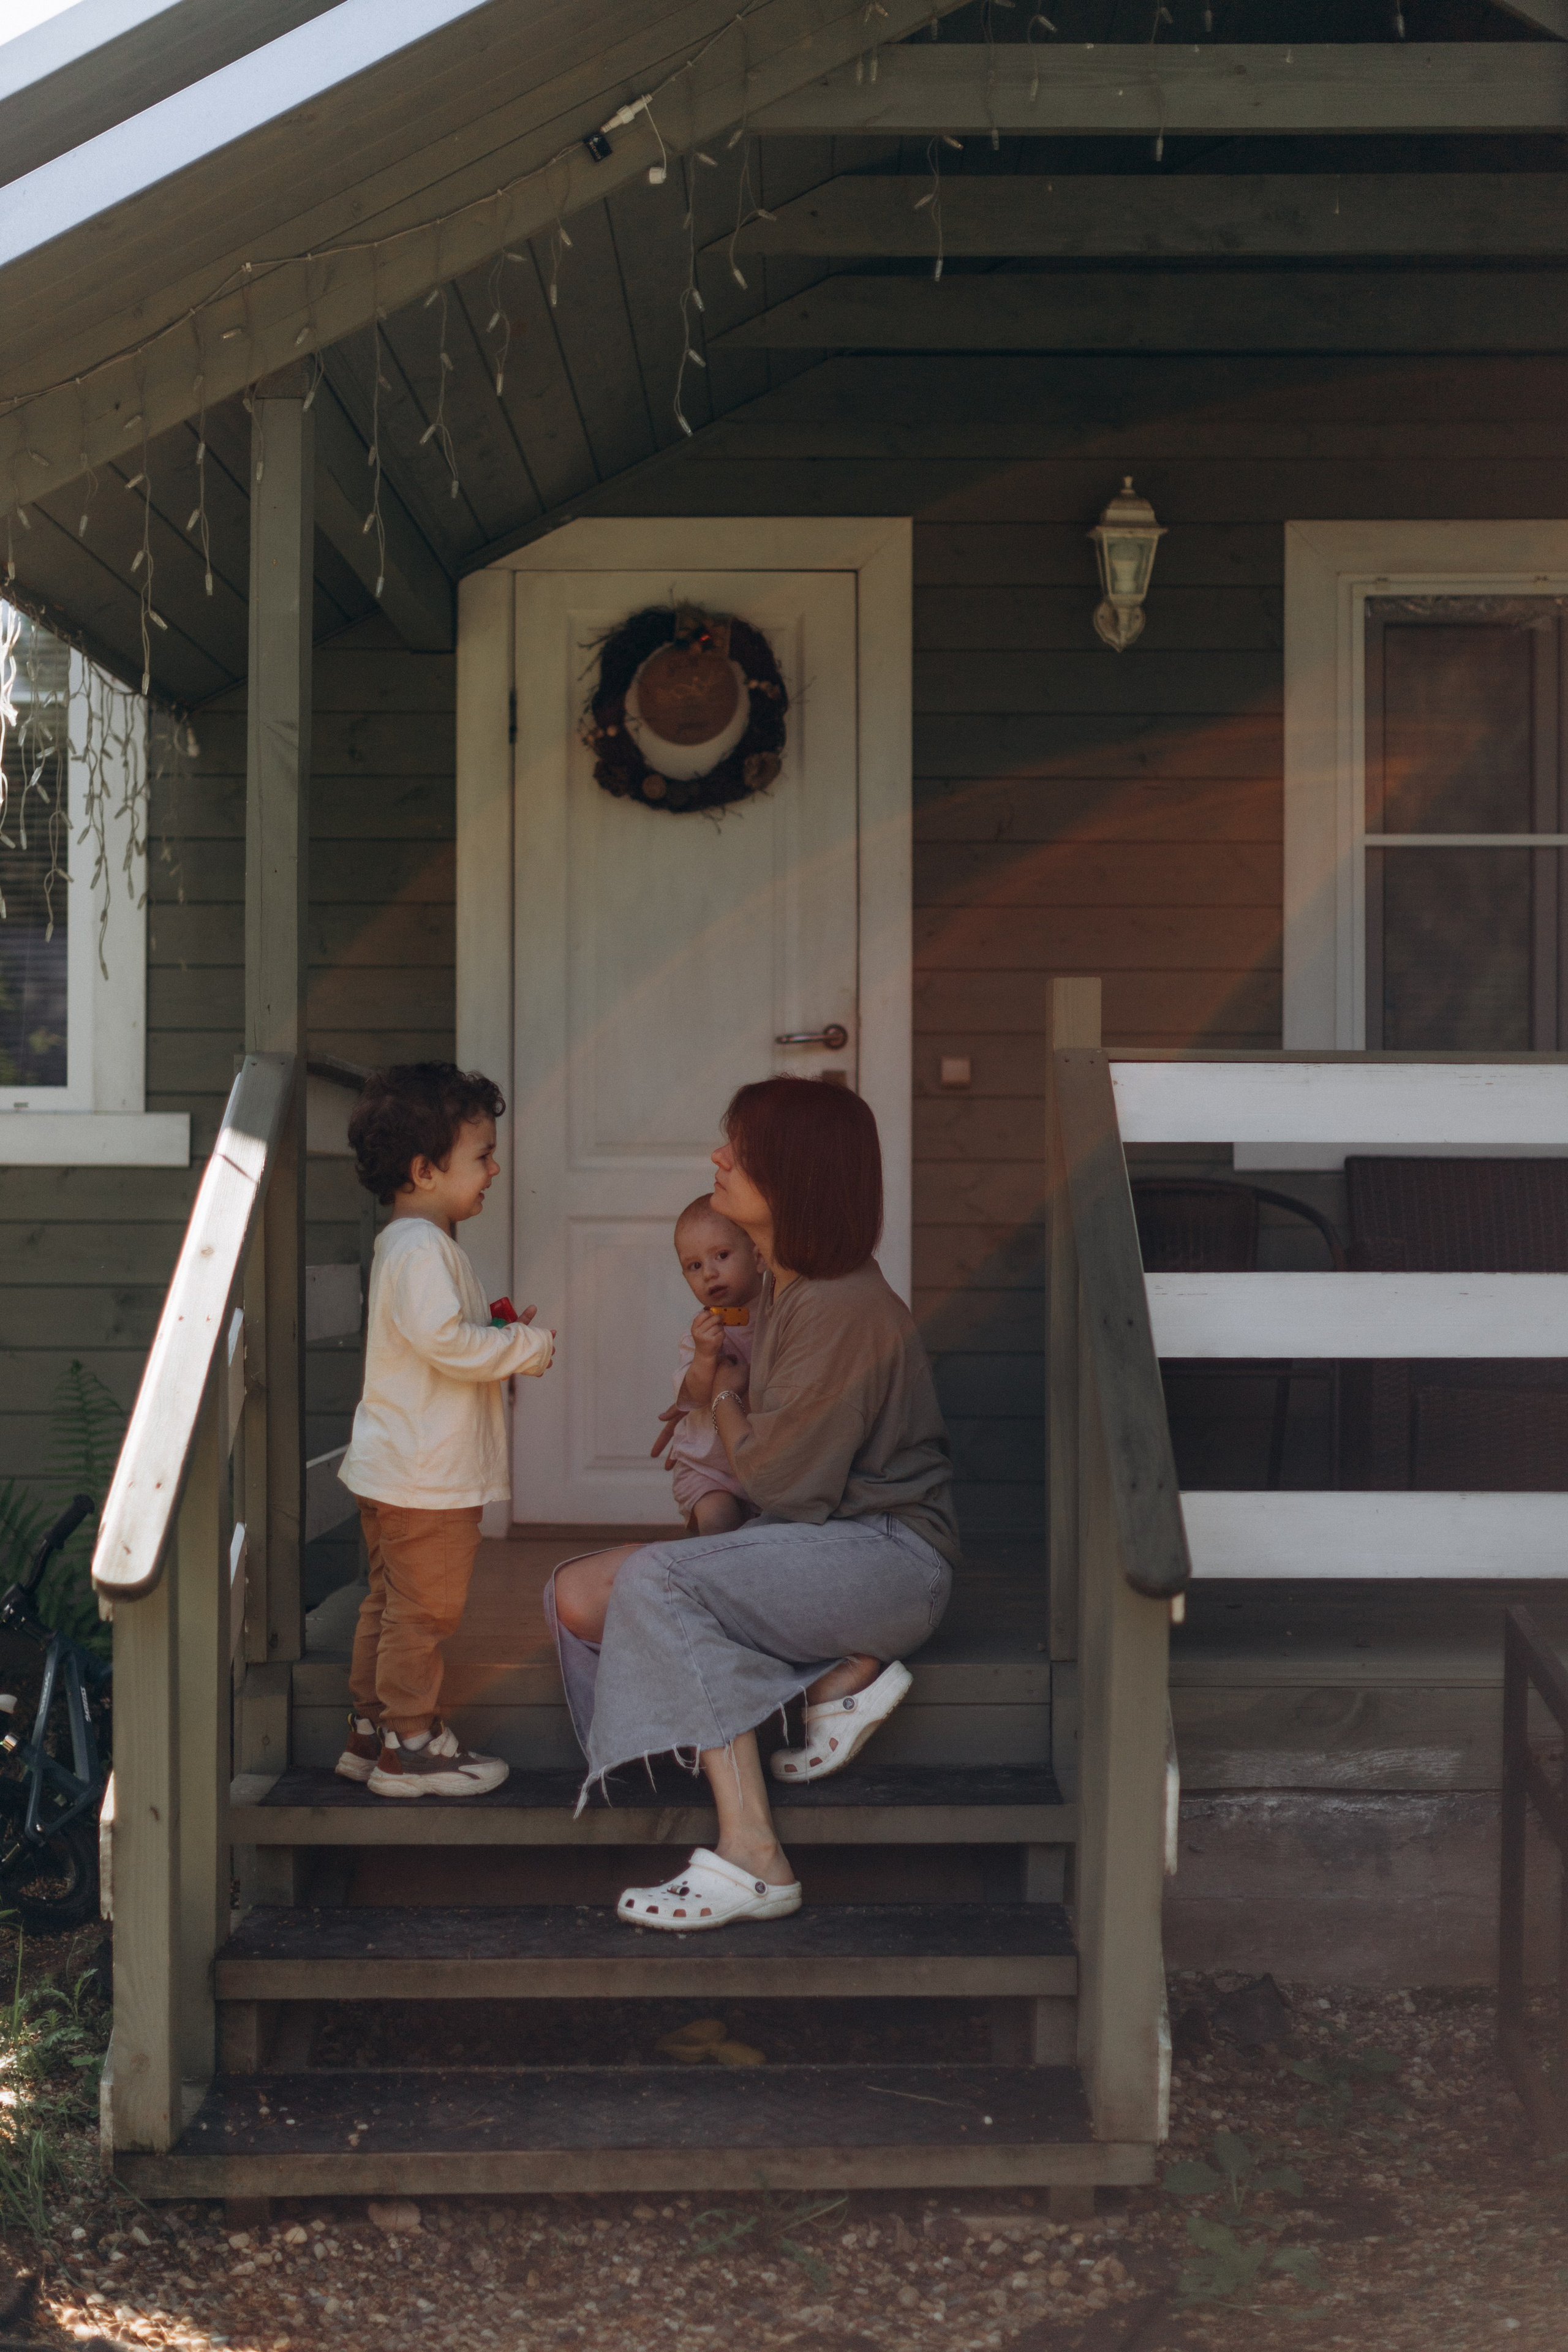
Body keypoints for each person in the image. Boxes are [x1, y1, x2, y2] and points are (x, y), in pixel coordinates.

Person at [551, 1076, 959, 1931]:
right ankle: (839, 1681)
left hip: (888, 1557)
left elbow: (780, 1485)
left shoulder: (840, 1305)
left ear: (794, 1177)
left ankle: (754, 1859)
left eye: (739, 1150)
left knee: (657, 1585)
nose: (717, 1158)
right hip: (823, 1548)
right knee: (580, 1597)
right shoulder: (780, 1286)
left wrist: (725, 1400)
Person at [335, 1062, 554, 1799]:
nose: (495, 1169)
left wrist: (488, 1330)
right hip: (426, 1479)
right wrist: (525, 1347)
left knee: (389, 1605)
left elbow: (440, 1339)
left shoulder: (407, 1244)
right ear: (426, 1170)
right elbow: (447, 1345)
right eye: (483, 1156)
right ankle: (413, 1746)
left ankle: (371, 1731)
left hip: (396, 1468)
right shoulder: (424, 1250)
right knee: (424, 1615)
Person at [652, 1197, 765, 1536]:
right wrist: (704, 1357)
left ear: (758, 1256)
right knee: (720, 1522)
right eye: (694, 1266)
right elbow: (694, 1395)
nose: (710, 1273)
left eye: (722, 1256)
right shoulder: (701, 1333)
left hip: (762, 1463)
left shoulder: (781, 1317)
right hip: (708, 1470)